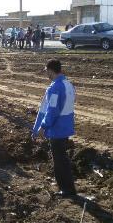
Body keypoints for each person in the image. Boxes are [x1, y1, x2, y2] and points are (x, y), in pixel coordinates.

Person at [32, 59, 76, 197]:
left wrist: (42, 127)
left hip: (57, 129)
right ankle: (69, 187)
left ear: (51, 71)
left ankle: (66, 189)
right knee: (63, 158)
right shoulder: (68, 84)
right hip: (66, 125)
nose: (47, 75)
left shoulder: (55, 88)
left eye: (47, 72)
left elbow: (52, 110)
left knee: (59, 160)